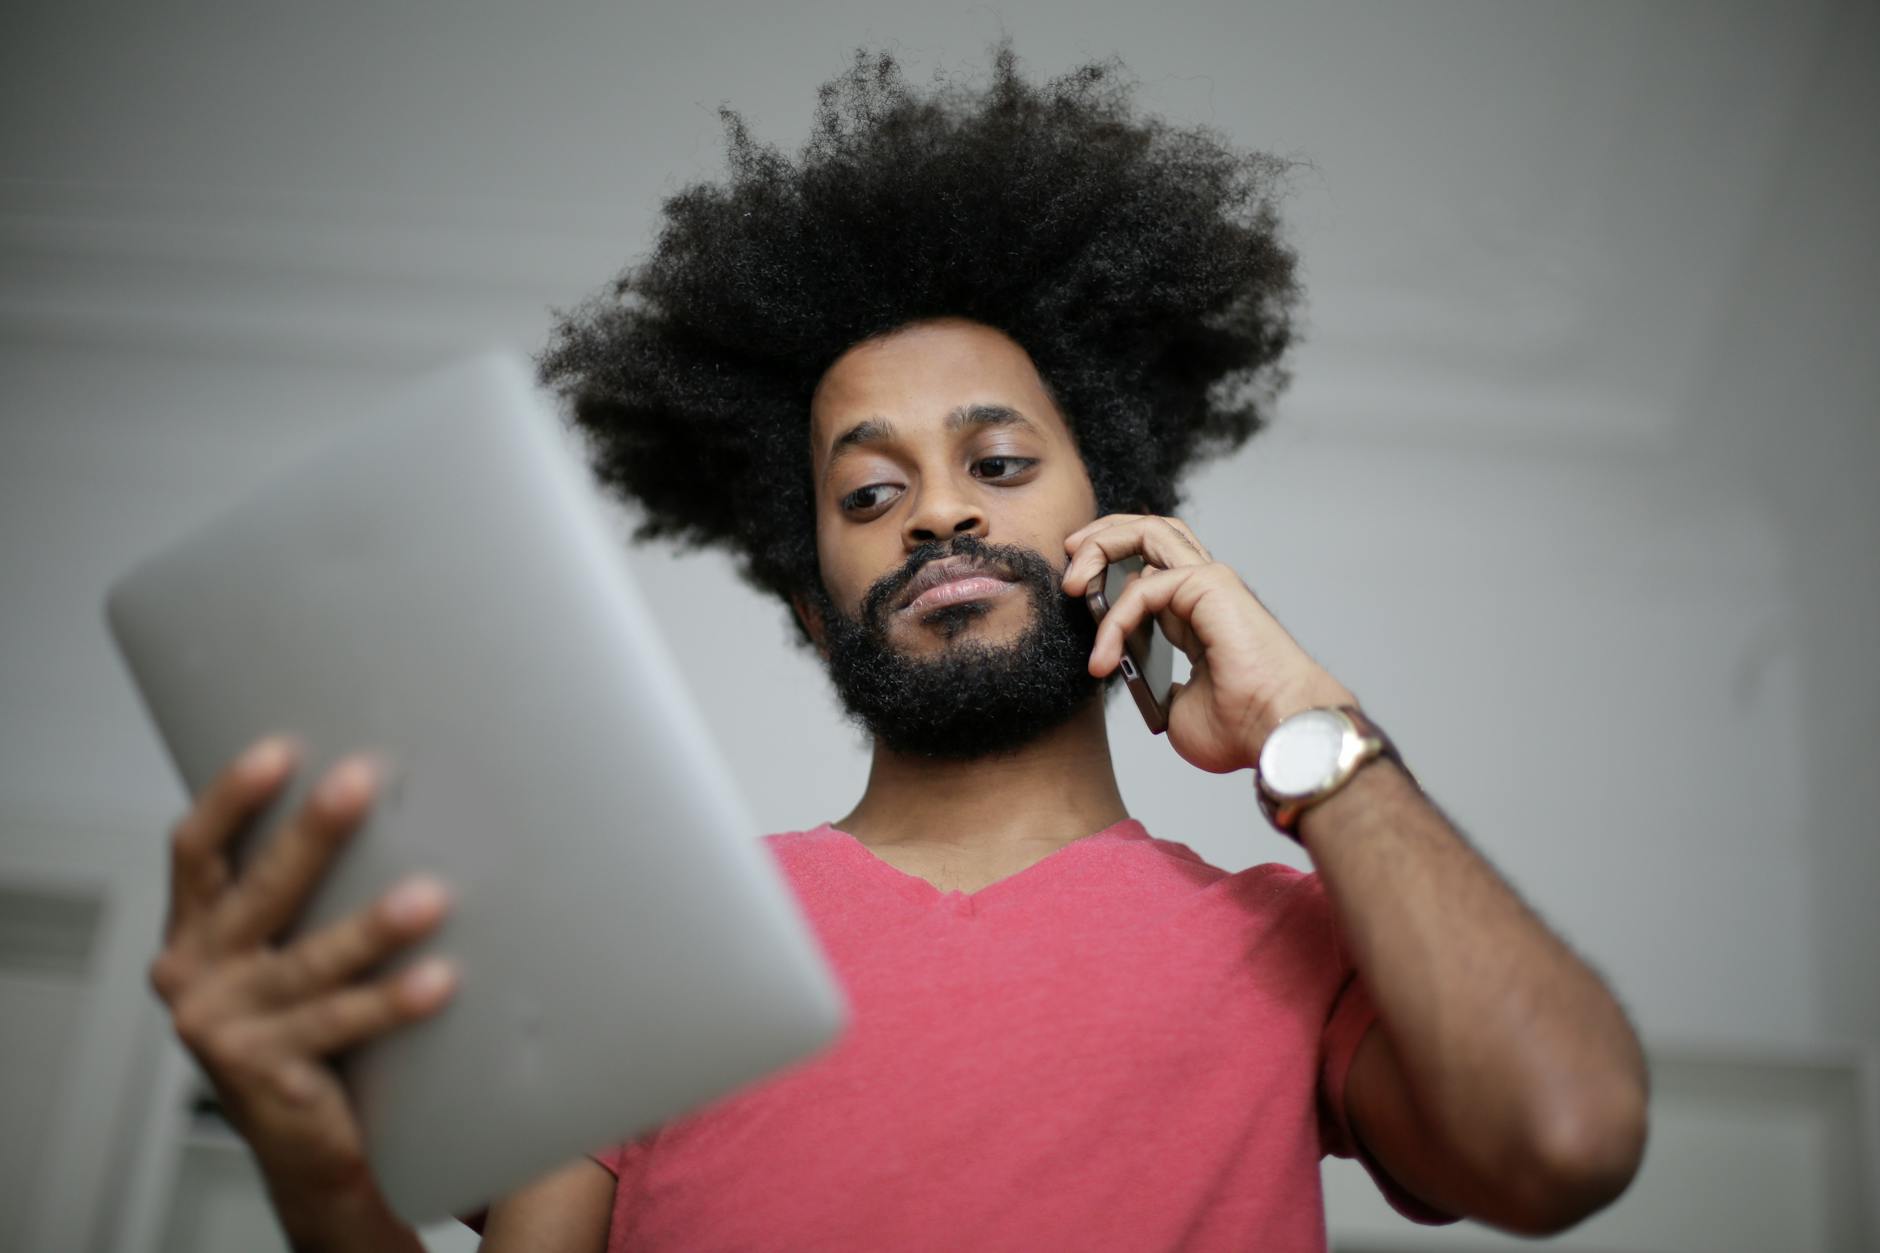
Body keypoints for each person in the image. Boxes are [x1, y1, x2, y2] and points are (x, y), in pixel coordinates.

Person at [146, 44, 1647, 1252]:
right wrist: (315, 1173)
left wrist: (1310, 731)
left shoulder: (1292, 940)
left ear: (1118, 530)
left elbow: (1563, 1134)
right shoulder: (656, 944)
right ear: (812, 596)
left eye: (997, 466)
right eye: (870, 492)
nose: (937, 512)